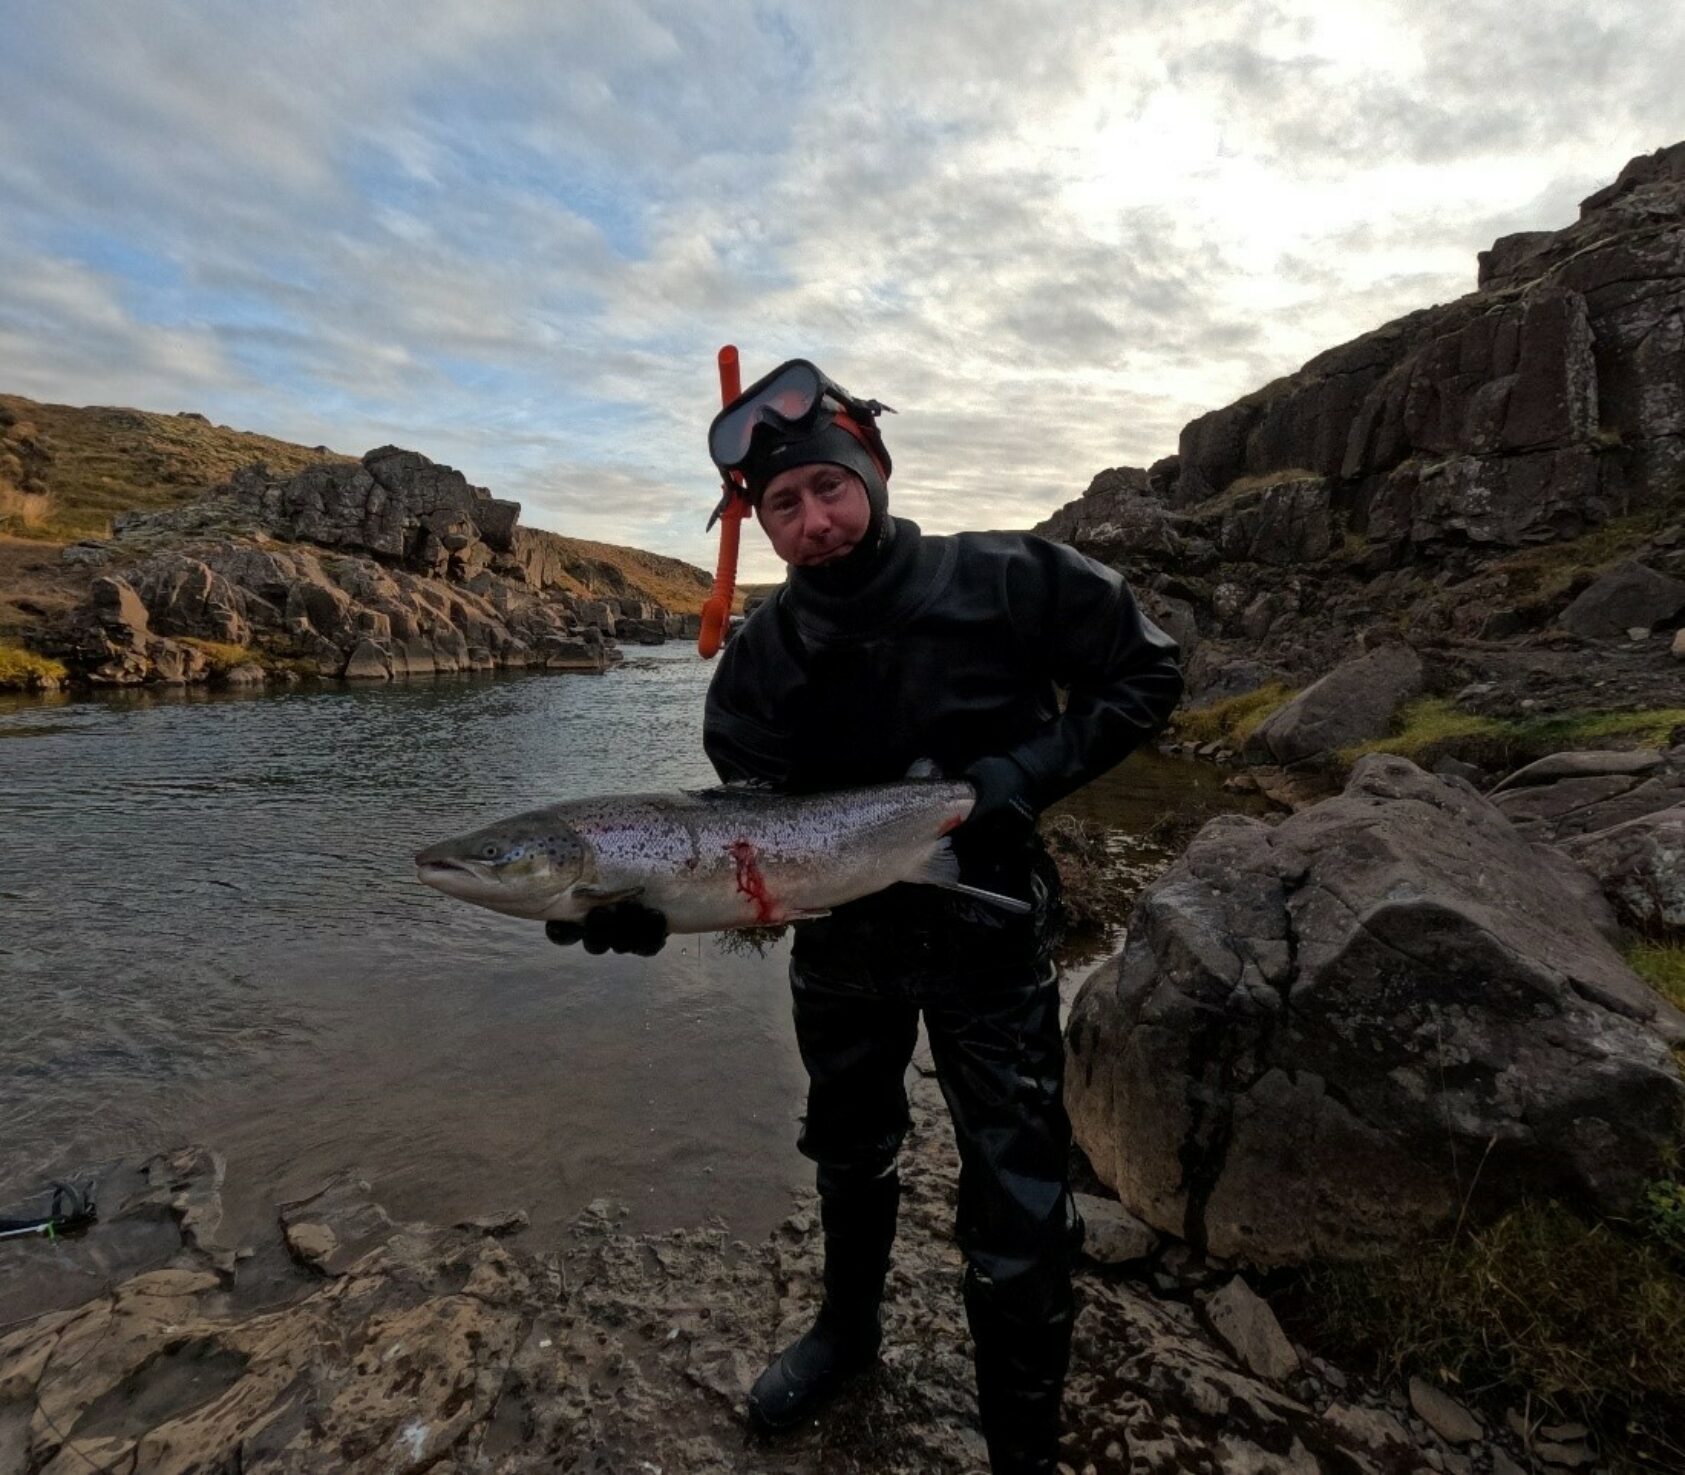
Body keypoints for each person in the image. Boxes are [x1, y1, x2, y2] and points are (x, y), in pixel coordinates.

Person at [551, 359, 1183, 1474]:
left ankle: (1021, 1442)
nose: (813, 521)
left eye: (828, 489)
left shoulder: (1014, 578)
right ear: (760, 524)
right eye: (782, 506)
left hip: (988, 927)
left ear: (873, 471)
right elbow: (743, 854)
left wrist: (1020, 775)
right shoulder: (754, 667)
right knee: (847, 1147)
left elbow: (1147, 673)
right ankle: (847, 1334)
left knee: (1019, 1190)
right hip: (841, 943)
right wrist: (654, 910)